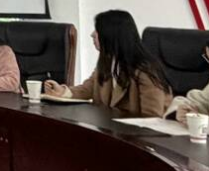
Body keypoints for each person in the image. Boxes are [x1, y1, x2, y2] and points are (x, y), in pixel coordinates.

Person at [43, 10, 172, 117]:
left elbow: (152, 118)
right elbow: (88, 88)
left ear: (111, 35)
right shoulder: (108, 61)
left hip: (136, 136)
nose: (92, 35)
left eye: (97, 30)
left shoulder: (146, 70)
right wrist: (63, 92)